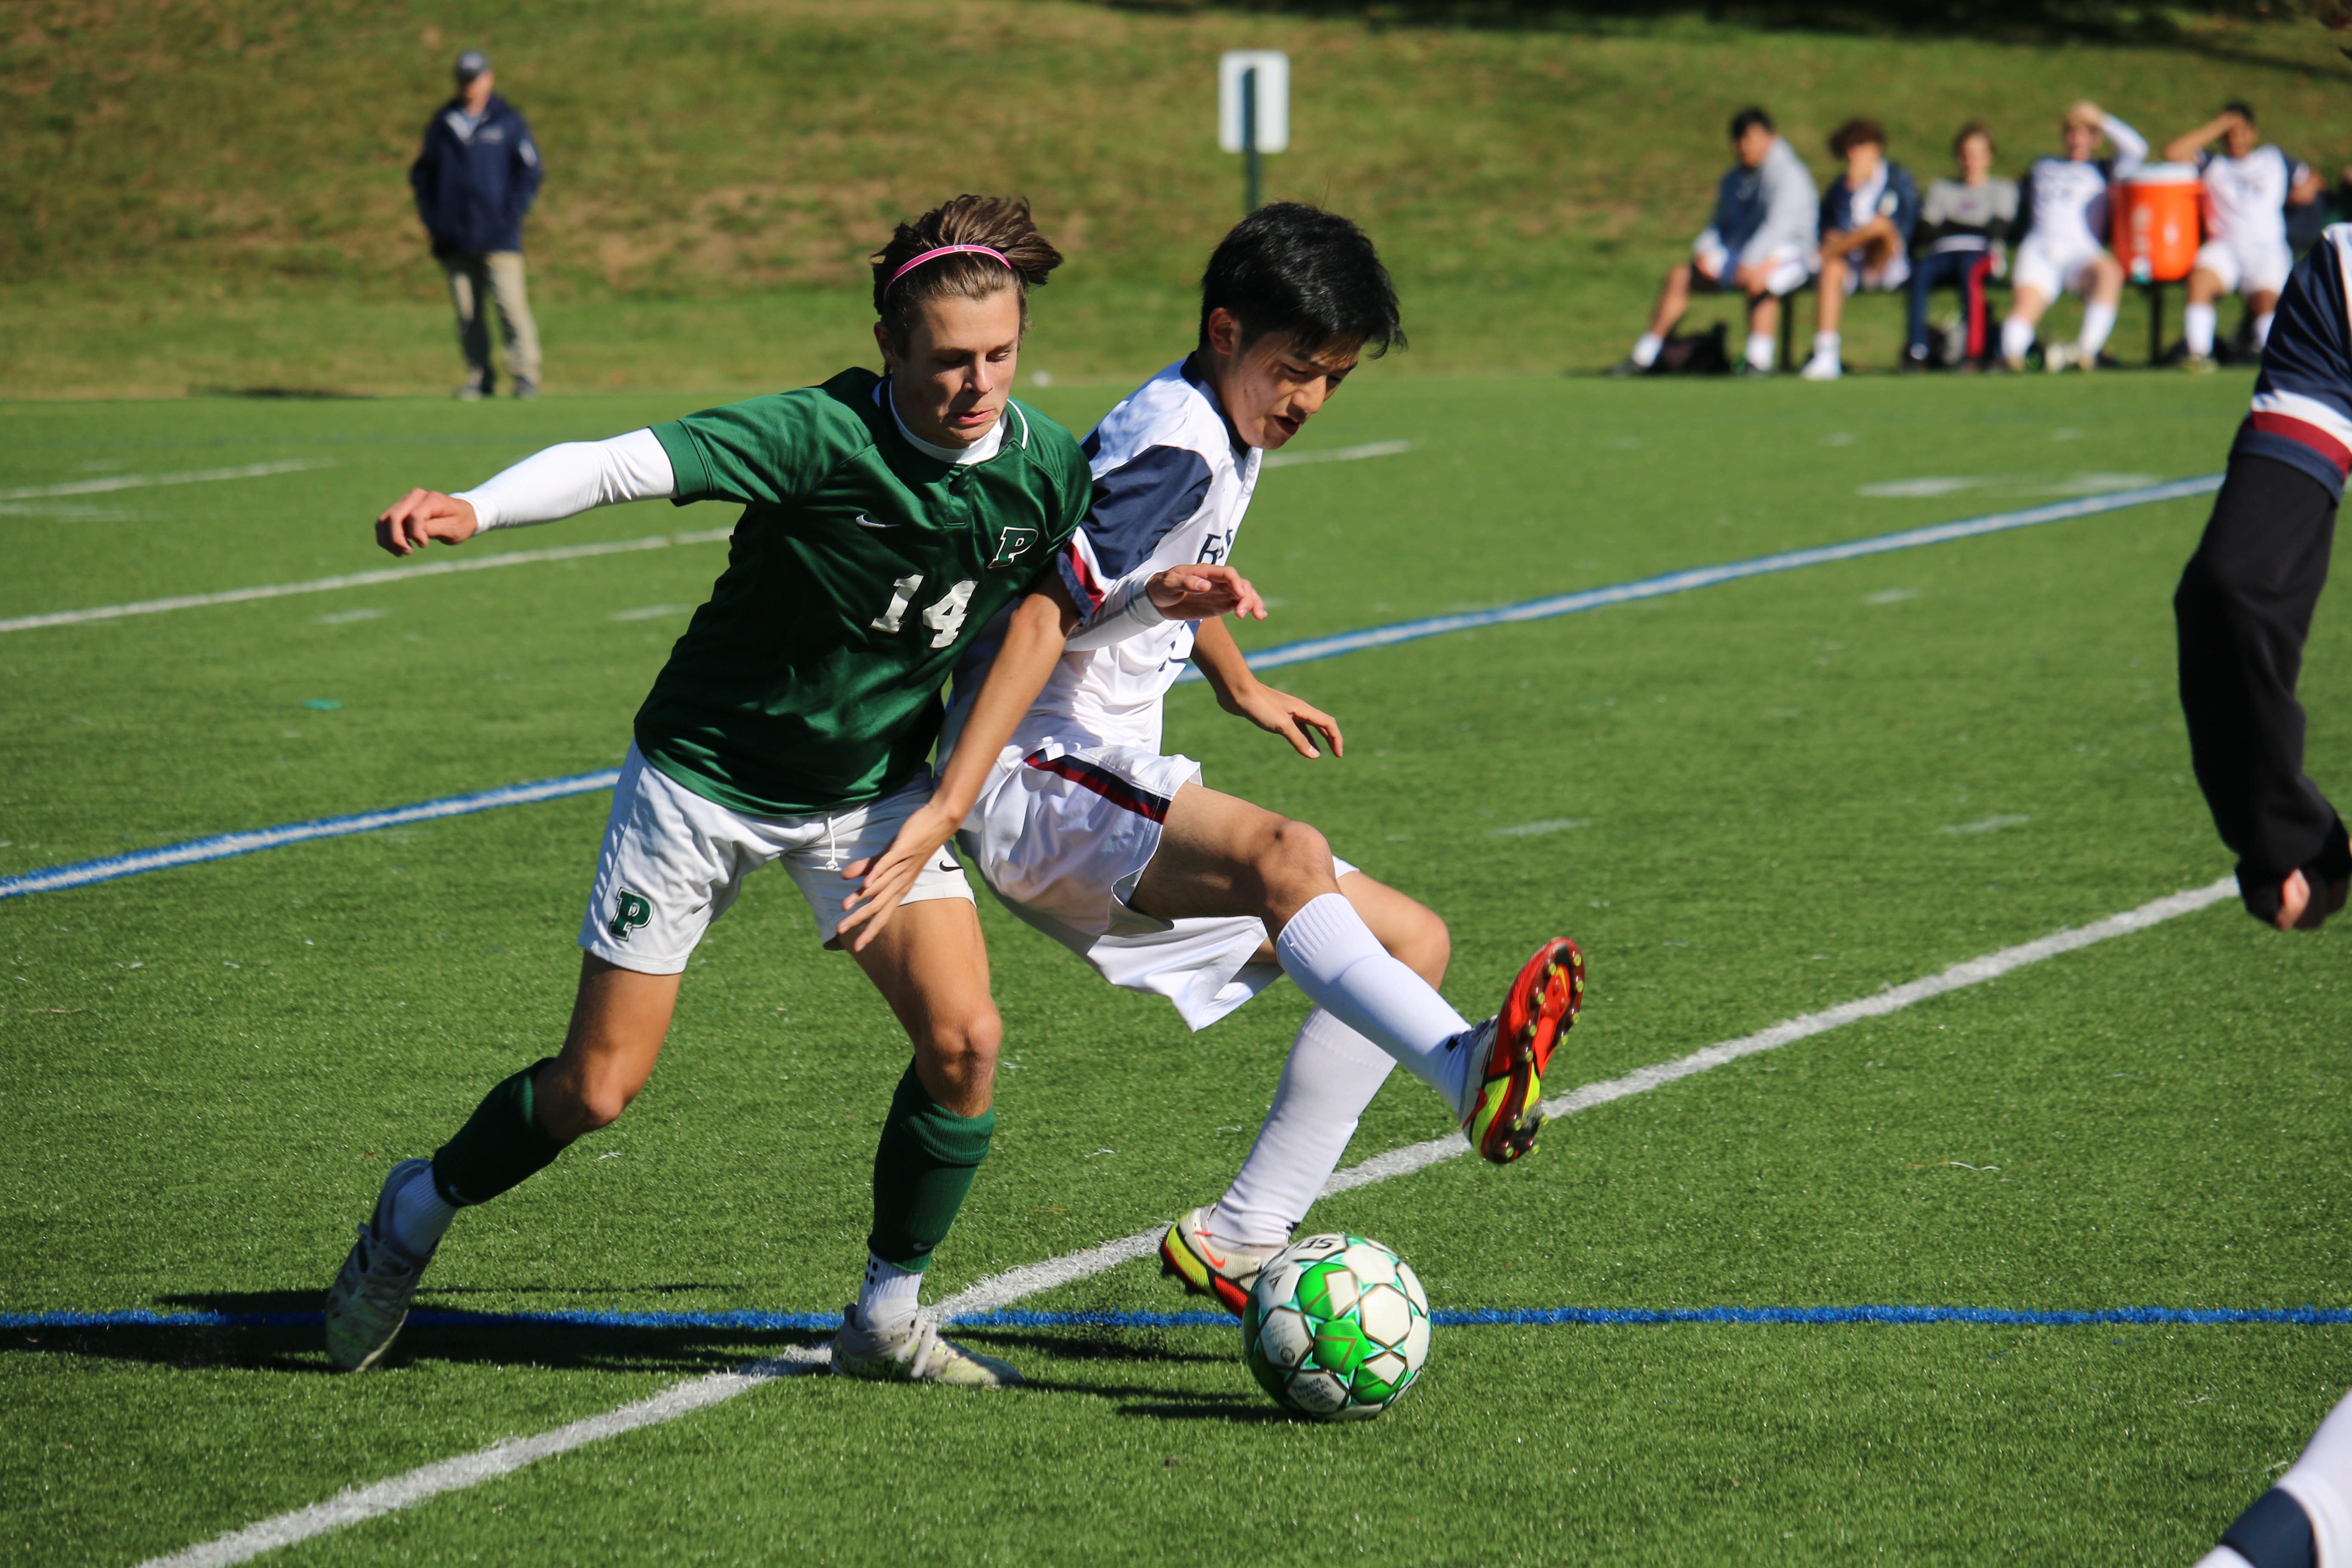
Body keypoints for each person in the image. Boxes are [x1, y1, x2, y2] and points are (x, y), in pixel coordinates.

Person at [320, 195, 1258, 1387]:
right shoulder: (817, 435)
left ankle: (885, 1316)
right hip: (705, 781)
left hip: (870, 796)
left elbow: (1043, 612)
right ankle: (414, 1210)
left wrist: (1153, 604)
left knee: (966, 1040)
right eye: (950, 361)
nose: (978, 385)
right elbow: (620, 464)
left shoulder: (1045, 464)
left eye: (1001, 356)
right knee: (596, 1088)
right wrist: (481, 504)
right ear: (890, 348)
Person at [945, 203, 1584, 1313]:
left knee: (1408, 938)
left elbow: (1160, 574)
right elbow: (1046, 608)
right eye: (1296, 369)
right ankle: (1464, 1068)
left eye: (1332, 379)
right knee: (1290, 855)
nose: (1308, 401)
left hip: (1092, 772)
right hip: (1033, 774)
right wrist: (951, 792)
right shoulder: (1181, 444)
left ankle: (1241, 1235)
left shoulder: (1215, 420)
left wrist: (1237, 682)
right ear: (1227, 330)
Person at [2175, 220, 2352, 933]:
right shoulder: (2337, 278)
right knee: (2232, 586)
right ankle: (2293, 835)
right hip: (2337, 327)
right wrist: (2273, 830)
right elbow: (2238, 587)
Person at [1617, 108, 1820, 379]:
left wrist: (1751, 261)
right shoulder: (1733, 178)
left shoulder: (1790, 174)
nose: (1745, 146)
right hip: (1744, 250)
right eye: (1740, 140)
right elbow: (1720, 224)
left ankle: (1758, 359)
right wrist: (1704, 250)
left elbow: (1779, 227)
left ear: (1770, 138)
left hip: (1792, 252)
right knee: (1680, 276)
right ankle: (1645, 356)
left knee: (1759, 278)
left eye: (1753, 138)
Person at [410, 50, 546, 400]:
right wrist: (435, 220)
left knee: (510, 307)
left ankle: (525, 374)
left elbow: (530, 172)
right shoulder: (443, 124)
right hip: (455, 237)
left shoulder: (508, 121)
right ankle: (479, 375)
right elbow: (423, 176)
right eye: (463, 79)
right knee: (468, 314)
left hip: (499, 235)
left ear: (489, 79)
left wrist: (509, 215)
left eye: (475, 78)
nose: (469, 86)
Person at [2164, 102, 2324, 370]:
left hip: (2267, 249)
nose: (2235, 138)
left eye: (2241, 131)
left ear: (2253, 133)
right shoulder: (2214, 164)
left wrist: (2303, 191)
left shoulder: (2274, 159)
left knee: (2265, 302)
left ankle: (2273, 356)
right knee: (2200, 280)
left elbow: (2313, 179)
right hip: (2225, 247)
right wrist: (2219, 125)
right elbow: (2173, 152)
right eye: (2229, 132)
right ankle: (2199, 354)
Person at [1999, 101, 2145, 373]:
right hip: (2041, 250)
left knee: (2109, 275)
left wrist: (2101, 119)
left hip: (2082, 254)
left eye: (2085, 133)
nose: (2076, 140)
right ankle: (2013, 359)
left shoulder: (2103, 169)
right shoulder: (2043, 166)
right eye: (2071, 133)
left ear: (2095, 139)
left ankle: (2085, 353)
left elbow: (2138, 150)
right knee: (2026, 306)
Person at [1800, 119, 1920, 381]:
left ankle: (1817, 259)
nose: (1855, 155)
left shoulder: (1898, 180)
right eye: (1850, 148)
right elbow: (1829, 230)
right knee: (1832, 269)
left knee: (1879, 227)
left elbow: (1899, 232)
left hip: (1887, 260)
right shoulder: (1840, 190)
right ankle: (1826, 355)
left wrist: (1851, 239)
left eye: (1861, 146)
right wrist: (1849, 192)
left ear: (1876, 148)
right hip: (1851, 263)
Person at [1904, 122, 2018, 370]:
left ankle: (1974, 353)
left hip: (1981, 253)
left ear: (1989, 157)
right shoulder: (1941, 188)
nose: (1972, 160)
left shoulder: (2002, 189)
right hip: (1943, 253)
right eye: (1966, 154)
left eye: (1978, 154)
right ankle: (1916, 350)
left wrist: (1949, 225)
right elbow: (1927, 231)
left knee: (1971, 270)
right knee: (1919, 271)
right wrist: (1970, 226)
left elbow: (1996, 230)